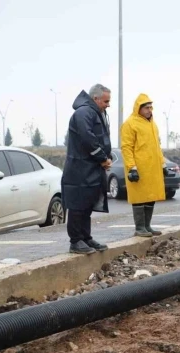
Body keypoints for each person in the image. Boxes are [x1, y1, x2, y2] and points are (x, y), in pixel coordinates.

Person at [62, 84, 112, 255]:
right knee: (78, 205)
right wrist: (103, 158)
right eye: (106, 101)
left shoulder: (95, 113)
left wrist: (107, 157)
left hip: (91, 169)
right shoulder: (83, 113)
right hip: (80, 169)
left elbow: (99, 138)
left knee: (88, 204)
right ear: (95, 98)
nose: (108, 105)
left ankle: (85, 237)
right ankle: (76, 241)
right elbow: (87, 138)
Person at [120, 94, 166, 238]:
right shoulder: (130, 123)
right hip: (139, 168)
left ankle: (147, 226)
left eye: (150, 107)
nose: (149, 110)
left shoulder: (152, 123)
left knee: (150, 196)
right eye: (146, 107)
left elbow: (156, 146)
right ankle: (139, 227)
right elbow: (126, 147)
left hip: (152, 167)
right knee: (139, 197)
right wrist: (131, 167)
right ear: (138, 108)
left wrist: (162, 163)